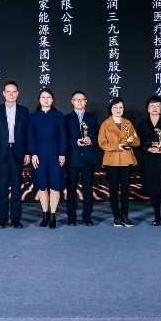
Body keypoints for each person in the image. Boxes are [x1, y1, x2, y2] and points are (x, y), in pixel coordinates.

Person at [0, 80, 30, 228]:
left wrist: (28, 152)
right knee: (2, 187)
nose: (11, 94)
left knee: (17, 187)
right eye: (8, 91)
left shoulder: (24, 111)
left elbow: (28, 134)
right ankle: (2, 219)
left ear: (17, 94)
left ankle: (16, 219)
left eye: (14, 92)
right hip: (2, 153)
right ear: (3, 93)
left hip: (18, 152)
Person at [27, 88, 67, 229]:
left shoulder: (58, 115)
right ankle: (45, 214)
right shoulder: (33, 117)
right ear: (39, 100)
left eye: (48, 97)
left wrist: (62, 153)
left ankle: (53, 215)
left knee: (55, 186)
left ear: (52, 100)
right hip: (39, 155)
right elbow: (30, 137)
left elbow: (63, 136)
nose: (46, 99)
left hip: (55, 155)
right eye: (43, 97)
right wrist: (33, 154)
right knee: (42, 186)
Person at [137, 96, 161, 228]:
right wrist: (148, 148)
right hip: (149, 158)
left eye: (158, 105)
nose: (155, 108)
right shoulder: (143, 122)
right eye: (152, 105)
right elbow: (139, 141)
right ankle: (156, 217)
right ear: (147, 108)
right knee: (153, 188)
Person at [98, 97, 138, 227]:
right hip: (112, 160)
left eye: (121, 107)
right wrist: (116, 146)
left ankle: (125, 215)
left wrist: (131, 140)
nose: (118, 109)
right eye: (115, 107)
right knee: (114, 189)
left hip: (126, 159)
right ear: (111, 109)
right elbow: (101, 143)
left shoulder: (128, 123)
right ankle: (116, 216)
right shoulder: (105, 124)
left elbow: (137, 141)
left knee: (125, 188)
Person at [64, 90, 99, 226]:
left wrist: (91, 140)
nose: (79, 101)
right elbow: (63, 138)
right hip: (72, 158)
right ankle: (71, 217)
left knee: (88, 189)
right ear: (72, 102)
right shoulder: (66, 118)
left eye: (82, 99)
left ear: (86, 102)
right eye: (76, 99)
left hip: (88, 158)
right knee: (71, 189)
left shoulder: (93, 118)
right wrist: (75, 142)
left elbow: (98, 137)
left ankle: (87, 217)